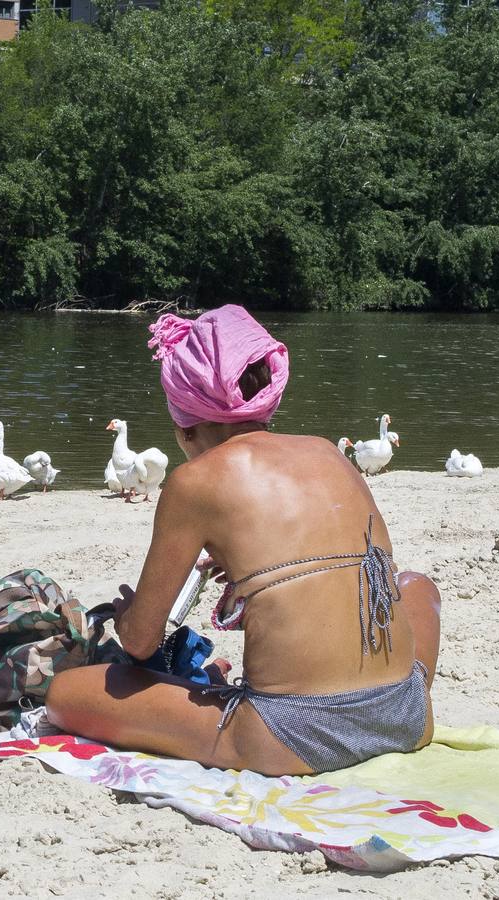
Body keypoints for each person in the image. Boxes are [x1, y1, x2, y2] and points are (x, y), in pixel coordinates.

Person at [44, 305, 440, 775]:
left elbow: (141, 641)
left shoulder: (194, 481)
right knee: (416, 586)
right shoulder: (328, 452)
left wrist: (130, 617)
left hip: (291, 735)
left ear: (184, 423)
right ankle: (386, 696)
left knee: (64, 696)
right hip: (406, 716)